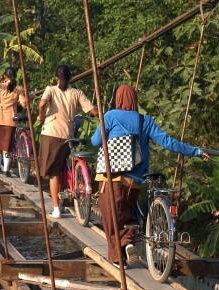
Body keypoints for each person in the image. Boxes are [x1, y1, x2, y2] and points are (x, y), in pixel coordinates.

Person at [91, 84, 209, 267]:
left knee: (111, 218)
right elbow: (168, 142)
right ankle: (128, 242)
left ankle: (119, 255)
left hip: (111, 179)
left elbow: (95, 141)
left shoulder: (110, 116)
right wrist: (196, 151)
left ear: (117, 99)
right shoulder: (144, 120)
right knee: (128, 213)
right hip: (135, 182)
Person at [37, 64, 98, 218]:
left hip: (51, 134)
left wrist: (42, 116)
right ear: (70, 78)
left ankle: (56, 208)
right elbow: (93, 110)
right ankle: (65, 199)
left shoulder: (50, 89)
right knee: (63, 166)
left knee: (53, 173)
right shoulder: (76, 93)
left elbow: (42, 103)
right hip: (67, 136)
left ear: (56, 78)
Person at [0, 67, 27, 176]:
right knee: (8, 146)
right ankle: (6, 169)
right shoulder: (19, 89)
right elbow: (24, 104)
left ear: (5, 76)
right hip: (10, 120)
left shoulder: (0, 86)